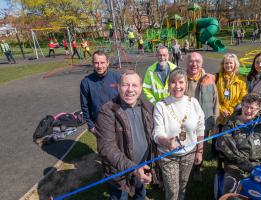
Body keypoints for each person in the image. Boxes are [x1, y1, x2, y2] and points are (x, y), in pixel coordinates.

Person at [95, 70, 159, 200]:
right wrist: (133, 168)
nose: (130, 90)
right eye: (125, 85)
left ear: (140, 89)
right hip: (119, 173)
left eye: (134, 85)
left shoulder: (147, 106)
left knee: (140, 195)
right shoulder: (107, 110)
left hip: (142, 167)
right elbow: (105, 147)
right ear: (119, 87)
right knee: (120, 197)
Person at [153, 68, 205, 200]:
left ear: (186, 84)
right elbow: (157, 133)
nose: (177, 86)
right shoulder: (160, 106)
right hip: (168, 155)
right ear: (168, 85)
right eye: (173, 83)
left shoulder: (193, 103)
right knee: (172, 190)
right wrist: (167, 142)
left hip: (189, 153)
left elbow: (200, 128)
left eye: (181, 82)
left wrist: (199, 151)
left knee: (183, 185)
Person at [185, 52, 219, 180]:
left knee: (201, 147)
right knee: (187, 147)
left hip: (203, 123)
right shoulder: (181, 79)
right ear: (186, 62)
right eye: (191, 61)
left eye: (197, 61)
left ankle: (197, 169)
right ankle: (186, 170)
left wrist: (215, 121)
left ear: (202, 63)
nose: (194, 64)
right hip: (185, 123)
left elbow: (216, 101)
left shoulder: (209, 79)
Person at [80, 50, 121, 133]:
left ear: (107, 63)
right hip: (99, 124)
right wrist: (91, 126)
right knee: (104, 146)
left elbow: (126, 98)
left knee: (121, 145)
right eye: (96, 63)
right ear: (92, 63)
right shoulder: (86, 82)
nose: (99, 66)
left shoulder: (117, 78)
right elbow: (85, 106)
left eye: (102, 62)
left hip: (118, 121)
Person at [216, 53, 247, 126]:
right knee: (218, 136)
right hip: (219, 115)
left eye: (231, 63)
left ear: (235, 64)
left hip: (234, 114)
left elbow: (242, 97)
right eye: (226, 63)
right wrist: (222, 109)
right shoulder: (217, 78)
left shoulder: (241, 80)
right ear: (223, 64)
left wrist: (230, 109)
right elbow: (213, 97)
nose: (228, 65)